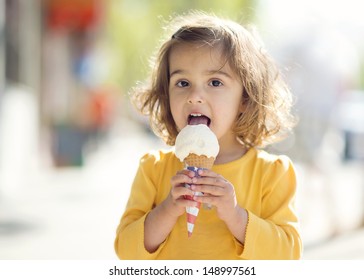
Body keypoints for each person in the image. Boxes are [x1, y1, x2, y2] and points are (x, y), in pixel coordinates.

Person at [114, 11, 302, 260]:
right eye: (182, 83)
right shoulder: (154, 169)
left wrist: (236, 216)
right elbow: (127, 252)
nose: (194, 96)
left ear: (245, 98)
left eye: (215, 82)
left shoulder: (272, 174)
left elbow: (288, 256)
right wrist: (168, 209)